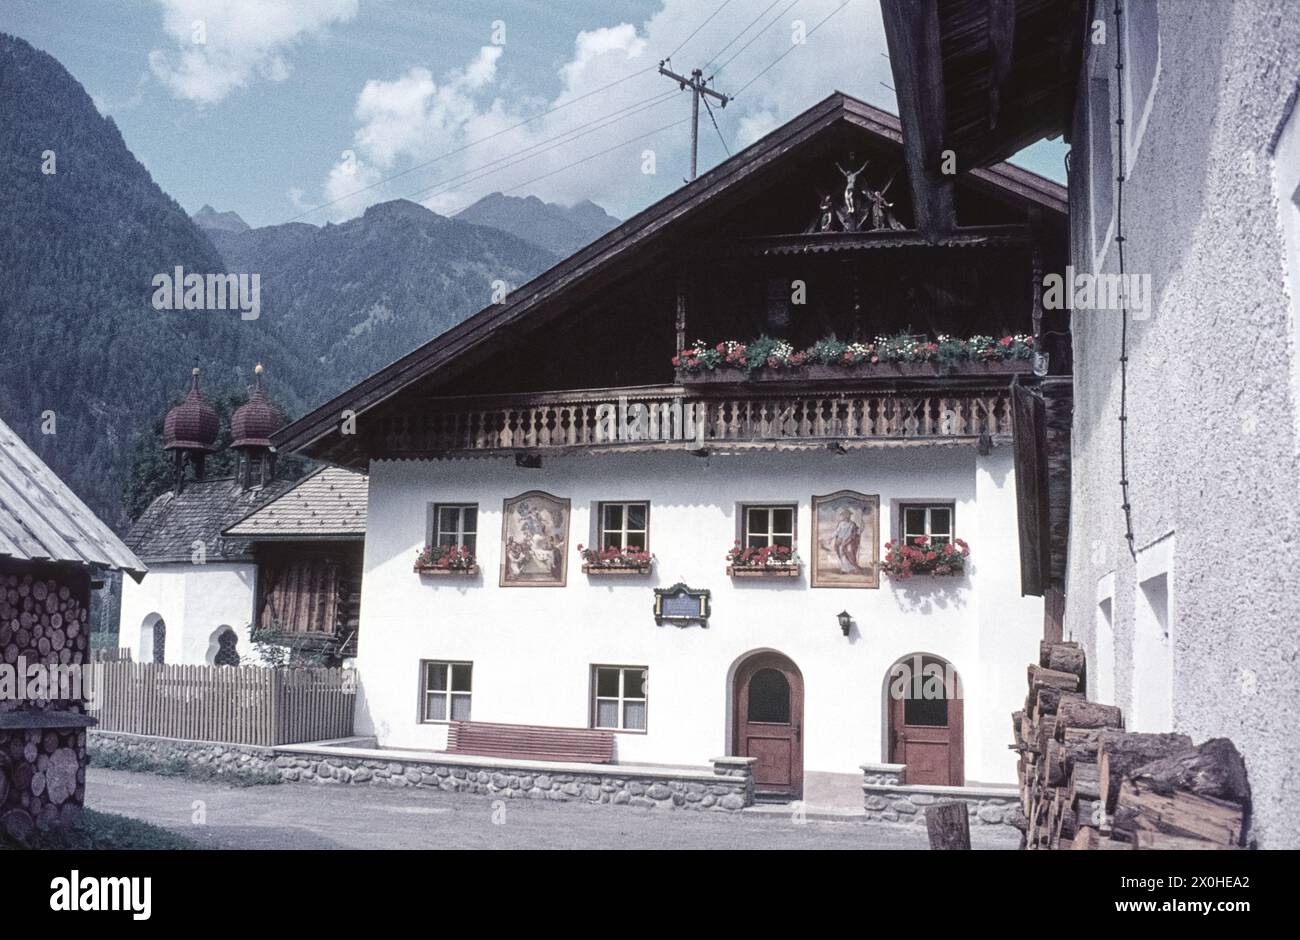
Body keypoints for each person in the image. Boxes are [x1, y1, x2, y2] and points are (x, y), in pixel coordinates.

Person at [831, 507, 862, 573]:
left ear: (849, 516)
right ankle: (844, 569)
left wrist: (859, 530)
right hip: (841, 541)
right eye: (845, 515)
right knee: (842, 554)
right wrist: (831, 537)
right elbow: (837, 531)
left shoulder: (852, 524)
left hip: (849, 541)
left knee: (850, 553)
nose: (846, 516)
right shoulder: (841, 523)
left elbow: (856, 532)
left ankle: (853, 568)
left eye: (848, 515)